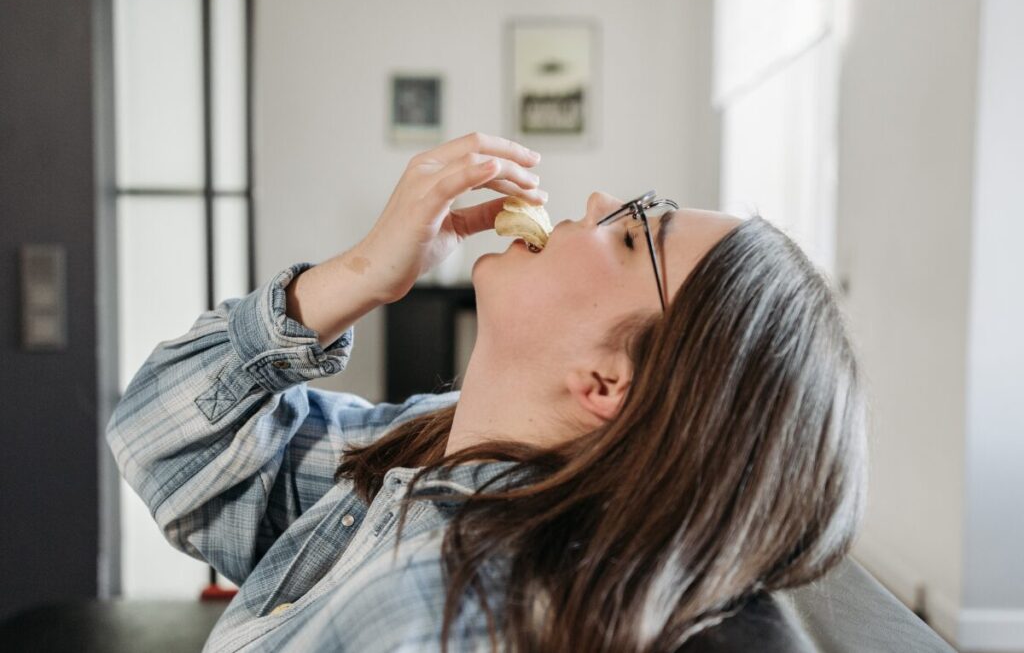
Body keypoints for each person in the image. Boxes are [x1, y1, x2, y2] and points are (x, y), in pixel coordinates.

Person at [107, 132, 867, 652]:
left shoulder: (444, 617)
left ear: (608, 380)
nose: (599, 198)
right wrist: (363, 272)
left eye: (634, 236)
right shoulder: (436, 444)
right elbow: (160, 437)